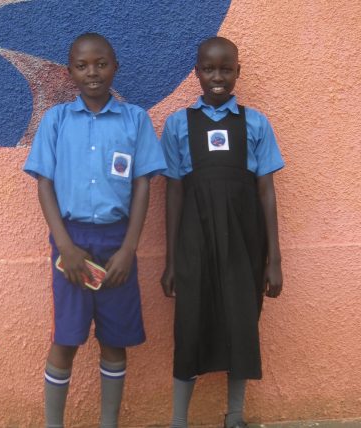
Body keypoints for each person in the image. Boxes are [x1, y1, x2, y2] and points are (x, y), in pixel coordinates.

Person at [24, 32, 166, 428]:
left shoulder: (135, 119)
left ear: (115, 67)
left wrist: (129, 249)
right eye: (83, 65)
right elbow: (44, 184)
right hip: (70, 244)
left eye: (101, 64)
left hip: (117, 243)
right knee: (65, 339)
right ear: (69, 72)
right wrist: (65, 247)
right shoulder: (55, 120)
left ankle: (109, 423)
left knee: (114, 340)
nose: (93, 72)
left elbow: (142, 185)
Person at [160, 36, 284, 428]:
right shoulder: (179, 123)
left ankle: (235, 415)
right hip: (194, 239)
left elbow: (266, 190)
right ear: (196, 72)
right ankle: (179, 418)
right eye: (209, 69)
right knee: (190, 322)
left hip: (244, 241)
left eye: (226, 69)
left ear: (237, 72)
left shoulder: (255, 122)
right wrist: (170, 259)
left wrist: (274, 260)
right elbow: (174, 192)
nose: (218, 77)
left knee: (241, 322)